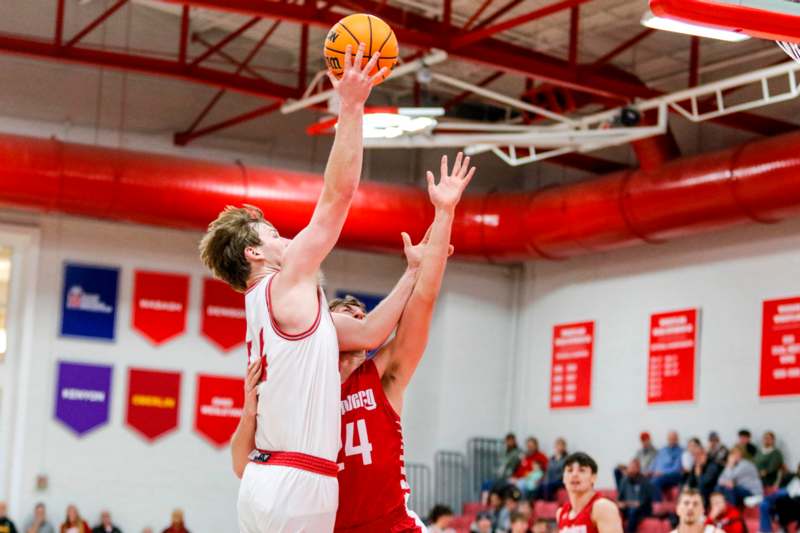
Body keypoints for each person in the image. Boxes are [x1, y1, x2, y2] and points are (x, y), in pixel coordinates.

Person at [204, 43, 395, 532]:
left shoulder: (260, 307)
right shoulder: (285, 284)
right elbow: (337, 199)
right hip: (297, 479)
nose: (283, 237)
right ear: (254, 254)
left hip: (264, 477)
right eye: (272, 234)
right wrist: (351, 107)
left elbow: (370, 333)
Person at [331, 152, 474, 532]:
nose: (359, 315)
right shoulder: (309, 383)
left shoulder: (381, 375)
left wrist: (444, 213)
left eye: (362, 312)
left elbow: (424, 300)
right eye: (347, 310)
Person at [556, 452, 623, 533]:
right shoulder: (561, 513)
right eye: (570, 470)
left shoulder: (603, 507)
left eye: (582, 470)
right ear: (563, 478)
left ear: (593, 478)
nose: (574, 474)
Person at [758, 462, 800, 533]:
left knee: (783, 494)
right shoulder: (793, 477)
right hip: (784, 496)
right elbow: (778, 486)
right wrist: (780, 475)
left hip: (793, 500)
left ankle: (763, 498)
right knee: (764, 505)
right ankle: (765, 531)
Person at [617, 459, 655, 533]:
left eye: (633, 468)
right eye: (629, 468)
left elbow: (638, 503)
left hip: (643, 510)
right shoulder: (624, 480)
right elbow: (619, 499)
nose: (630, 470)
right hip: (627, 508)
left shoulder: (644, 481)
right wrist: (619, 504)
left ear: (638, 469)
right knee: (614, 510)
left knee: (633, 511)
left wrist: (625, 504)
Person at [650, 431, 684, 500]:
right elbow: (654, 463)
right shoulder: (662, 450)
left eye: (673, 439)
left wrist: (662, 473)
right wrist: (650, 471)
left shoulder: (680, 451)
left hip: (673, 475)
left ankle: (658, 505)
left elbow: (676, 468)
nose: (671, 440)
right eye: (670, 439)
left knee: (655, 482)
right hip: (658, 475)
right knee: (644, 482)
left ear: (677, 439)